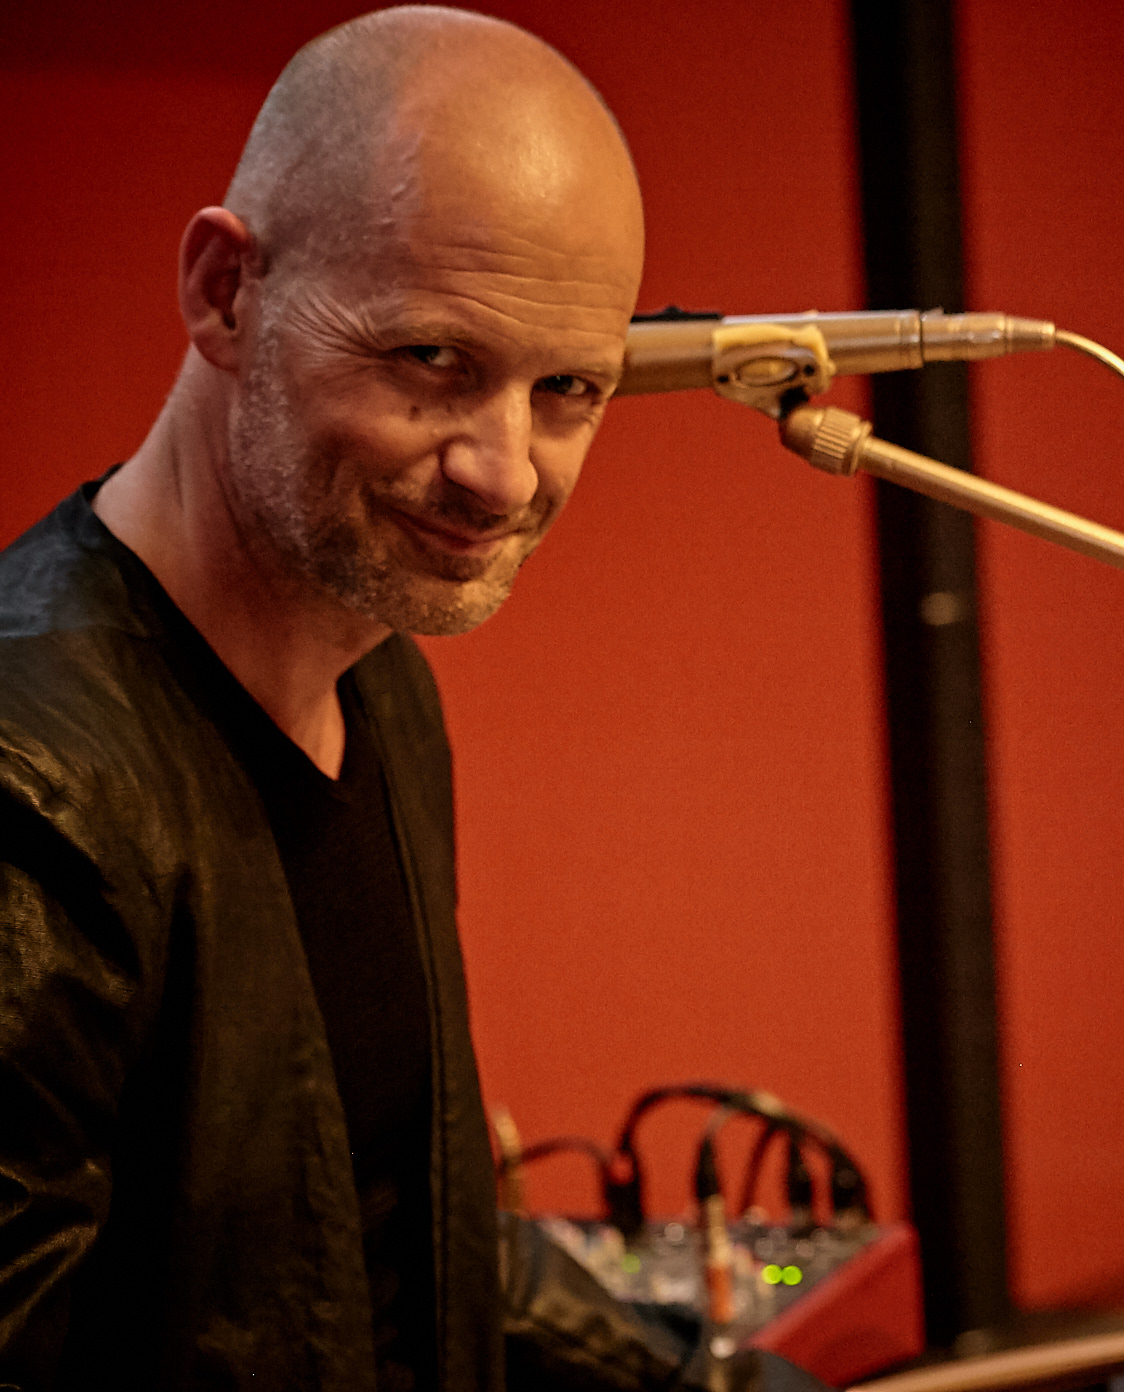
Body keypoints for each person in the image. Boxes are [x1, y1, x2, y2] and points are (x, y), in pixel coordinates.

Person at [0, 8, 645, 1388]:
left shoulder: (383, 688)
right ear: (227, 293)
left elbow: (400, 1234)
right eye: (432, 360)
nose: (505, 472)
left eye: (567, 389)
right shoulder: (27, 792)